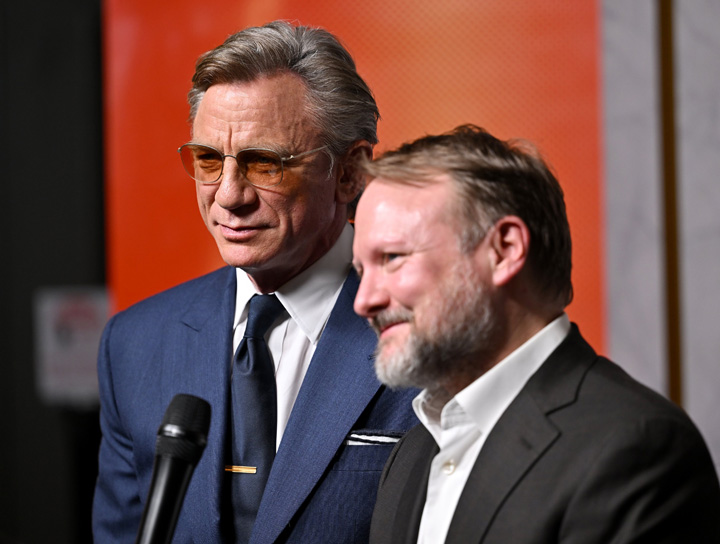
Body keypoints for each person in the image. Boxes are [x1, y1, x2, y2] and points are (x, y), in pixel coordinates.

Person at [92, 21, 418, 544]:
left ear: (350, 173)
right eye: (208, 160)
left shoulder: (431, 333)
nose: (228, 196)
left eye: (265, 163)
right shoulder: (134, 344)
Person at [351, 124, 720, 543]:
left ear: (505, 250)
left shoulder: (636, 447)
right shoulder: (411, 455)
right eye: (361, 270)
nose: (364, 301)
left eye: (392, 258)